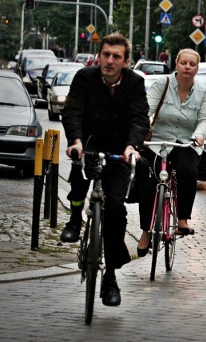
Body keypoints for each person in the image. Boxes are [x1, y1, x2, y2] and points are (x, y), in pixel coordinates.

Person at [60, 32, 150, 307]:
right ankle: (75, 218)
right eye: (106, 55)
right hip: (87, 144)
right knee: (78, 178)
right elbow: (72, 110)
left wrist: (132, 146)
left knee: (114, 208)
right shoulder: (84, 78)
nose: (109, 61)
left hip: (119, 153)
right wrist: (75, 141)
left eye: (116, 57)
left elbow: (139, 117)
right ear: (98, 55)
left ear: (125, 61)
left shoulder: (135, 83)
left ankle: (110, 276)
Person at [137, 48, 206, 257]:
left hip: (186, 144)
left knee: (188, 171)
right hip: (159, 143)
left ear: (197, 68)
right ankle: (145, 232)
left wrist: (199, 135)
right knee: (150, 184)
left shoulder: (202, 91)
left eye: (192, 64)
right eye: (183, 63)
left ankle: (182, 220)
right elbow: (147, 109)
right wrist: (143, 125)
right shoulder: (162, 84)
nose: (187, 67)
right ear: (176, 64)